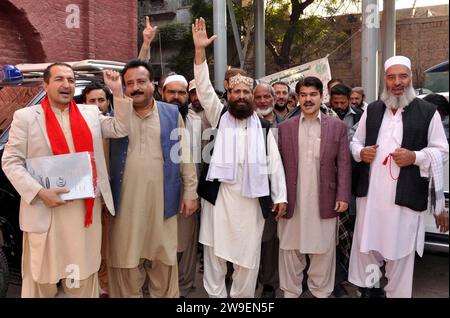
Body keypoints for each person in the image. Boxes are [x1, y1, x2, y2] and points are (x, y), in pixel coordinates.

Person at [1, 63, 132, 297]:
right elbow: (10, 161)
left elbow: (120, 128)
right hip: (46, 211)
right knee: (41, 281)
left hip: (83, 214)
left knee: (82, 277)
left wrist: (118, 92)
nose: (66, 85)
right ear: (46, 84)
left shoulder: (89, 113)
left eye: (71, 80)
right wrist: (40, 192)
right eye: (59, 79)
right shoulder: (27, 117)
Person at [193, 17, 287, 298]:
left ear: (254, 97)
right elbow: (203, 87)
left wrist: (280, 196)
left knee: (248, 260)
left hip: (250, 200)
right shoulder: (218, 114)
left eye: (247, 91)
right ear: (229, 94)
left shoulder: (265, 127)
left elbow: (275, 165)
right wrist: (200, 53)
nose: (242, 96)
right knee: (214, 257)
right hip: (218, 198)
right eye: (237, 91)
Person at [349, 56, 449, 298]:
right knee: (369, 251)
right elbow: (355, 141)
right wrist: (361, 153)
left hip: (404, 202)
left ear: (410, 79)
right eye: (392, 77)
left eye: (402, 76)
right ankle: (371, 293)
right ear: (385, 80)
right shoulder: (372, 109)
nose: (397, 82)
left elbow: (442, 151)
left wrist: (414, 157)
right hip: (371, 201)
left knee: (400, 255)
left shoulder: (428, 112)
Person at [107, 59, 198, 298]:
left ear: (153, 85)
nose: (135, 87)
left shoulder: (170, 113)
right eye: (129, 83)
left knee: (163, 263)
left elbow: (184, 155)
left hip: (162, 205)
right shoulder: (115, 116)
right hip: (125, 206)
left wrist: (190, 192)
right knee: (126, 263)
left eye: (141, 81)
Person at [277, 76, 351, 298]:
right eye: (303, 95)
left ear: (322, 96)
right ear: (297, 98)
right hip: (293, 200)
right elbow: (277, 165)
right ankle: (291, 292)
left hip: (325, 200)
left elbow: (344, 163)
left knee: (322, 251)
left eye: (313, 94)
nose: (308, 99)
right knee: (290, 251)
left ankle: (321, 293)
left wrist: (343, 195)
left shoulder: (336, 126)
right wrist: (278, 196)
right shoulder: (285, 127)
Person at [160, 73, 202, 298]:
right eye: (171, 92)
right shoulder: (153, 117)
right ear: (161, 93)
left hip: (188, 193)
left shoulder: (197, 120)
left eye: (181, 93)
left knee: (185, 246)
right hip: (159, 193)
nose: (176, 97)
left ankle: (184, 289)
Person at [81, 81, 114, 297]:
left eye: (101, 100)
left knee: (112, 245)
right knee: (94, 246)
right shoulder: (79, 125)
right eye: (91, 100)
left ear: (108, 102)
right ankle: (99, 287)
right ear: (84, 103)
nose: (97, 104)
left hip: (115, 195)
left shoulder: (114, 125)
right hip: (90, 196)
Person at [253, 82, 284, 298]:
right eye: (259, 97)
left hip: (276, 192)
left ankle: (270, 284)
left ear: (273, 98)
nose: (263, 101)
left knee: (271, 241)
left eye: (267, 96)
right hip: (251, 191)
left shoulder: (287, 124)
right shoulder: (246, 123)